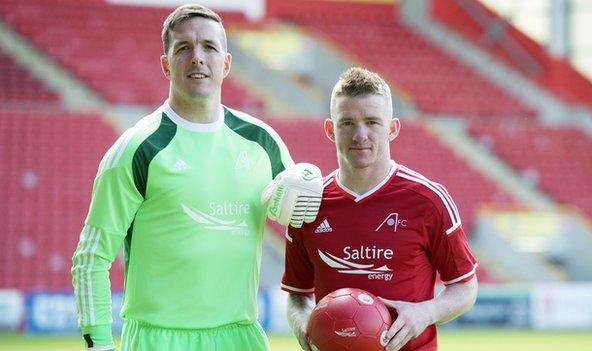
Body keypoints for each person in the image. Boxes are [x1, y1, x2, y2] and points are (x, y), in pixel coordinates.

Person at [71, 4, 322, 351]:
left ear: (226, 63)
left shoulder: (263, 143)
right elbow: (91, 258)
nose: (197, 57)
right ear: (166, 64)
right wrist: (98, 344)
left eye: (209, 47)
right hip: (157, 339)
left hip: (241, 337)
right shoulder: (137, 150)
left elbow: (309, 230)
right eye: (183, 48)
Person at [282, 67, 478, 351]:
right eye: (346, 122)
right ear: (329, 129)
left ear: (392, 128)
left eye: (372, 122)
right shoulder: (308, 204)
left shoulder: (428, 201)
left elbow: (465, 287)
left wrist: (425, 313)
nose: (360, 134)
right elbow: (298, 295)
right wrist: (304, 328)